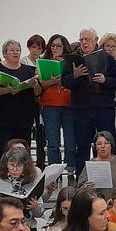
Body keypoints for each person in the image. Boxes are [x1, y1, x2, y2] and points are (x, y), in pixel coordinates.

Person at [66, 28, 116, 173]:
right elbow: (65, 82)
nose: (84, 42)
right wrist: (75, 75)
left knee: (106, 144)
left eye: (87, 39)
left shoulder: (107, 58)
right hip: (81, 108)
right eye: (81, 39)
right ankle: (82, 179)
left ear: (96, 40)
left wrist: (105, 80)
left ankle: (109, 176)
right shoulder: (73, 59)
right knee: (83, 145)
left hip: (104, 108)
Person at [0, 40, 40, 148]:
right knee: (5, 149)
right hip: (3, 118)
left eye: (18, 50)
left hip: (24, 118)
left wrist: (35, 85)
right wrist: (8, 90)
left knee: (24, 149)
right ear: (4, 53)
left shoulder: (27, 69)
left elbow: (37, 93)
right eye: (12, 50)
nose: (16, 53)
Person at [38, 34, 74, 169]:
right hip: (50, 105)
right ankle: (54, 171)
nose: (55, 48)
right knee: (53, 143)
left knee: (70, 142)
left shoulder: (70, 61)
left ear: (64, 46)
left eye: (59, 45)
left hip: (69, 104)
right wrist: (53, 81)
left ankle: (71, 169)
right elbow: (40, 85)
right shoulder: (43, 61)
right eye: (52, 45)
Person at [75, 131, 116, 195]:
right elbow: (79, 189)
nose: (103, 146)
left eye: (106, 143)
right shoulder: (90, 164)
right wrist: (86, 186)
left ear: (111, 145)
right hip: (97, 202)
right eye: (99, 144)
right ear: (95, 147)